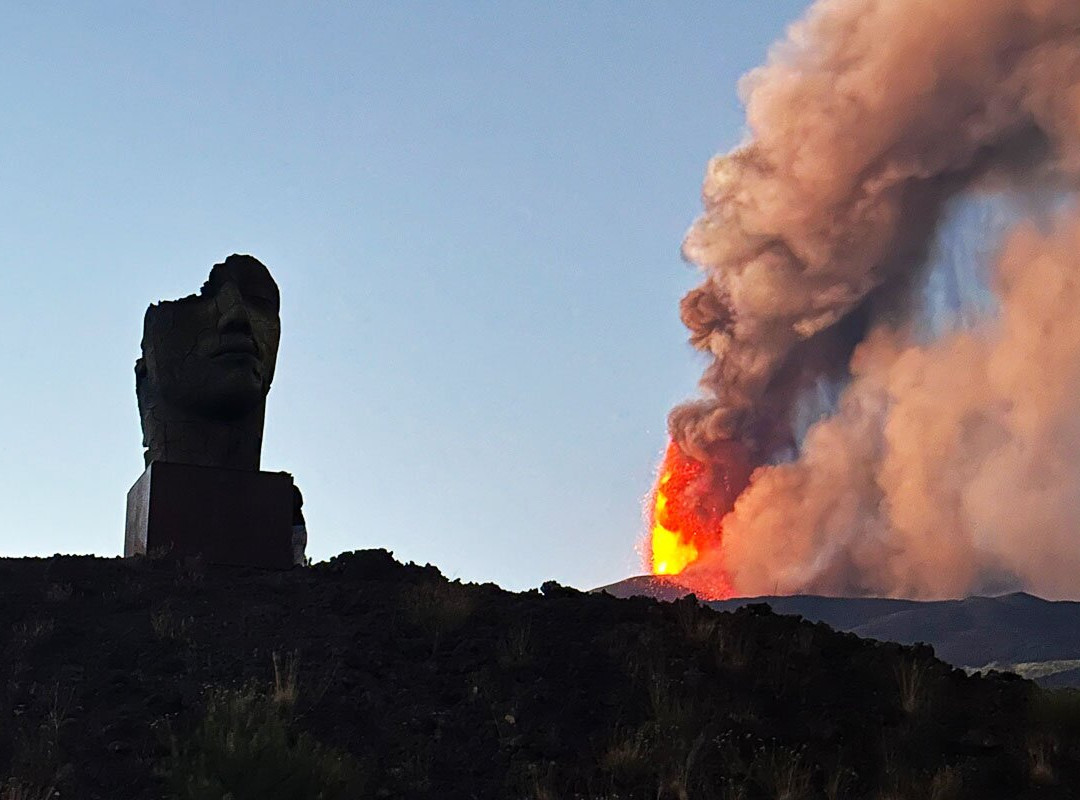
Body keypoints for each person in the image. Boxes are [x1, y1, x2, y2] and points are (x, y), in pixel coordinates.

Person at [291, 484, 308, 567]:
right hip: (297, 526)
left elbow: (298, 503)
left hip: (297, 526)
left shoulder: (292, 489)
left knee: (297, 554)